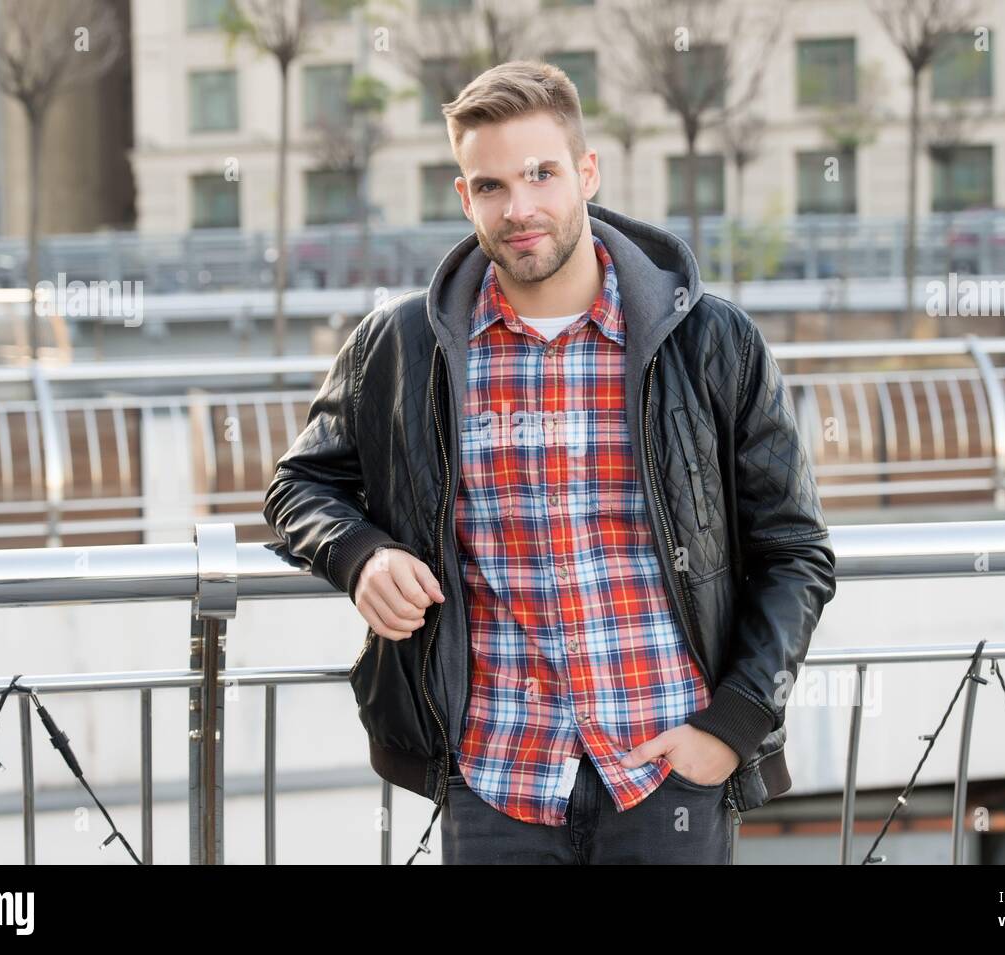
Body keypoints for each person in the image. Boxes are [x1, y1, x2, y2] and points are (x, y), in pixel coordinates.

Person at [263, 60, 837, 864]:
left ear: (587, 173)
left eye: (542, 174)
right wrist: (362, 554)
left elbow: (795, 552)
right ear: (465, 199)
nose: (520, 207)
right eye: (491, 185)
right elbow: (298, 485)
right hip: (495, 778)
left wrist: (732, 726)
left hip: (669, 771)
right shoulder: (403, 346)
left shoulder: (712, 341)